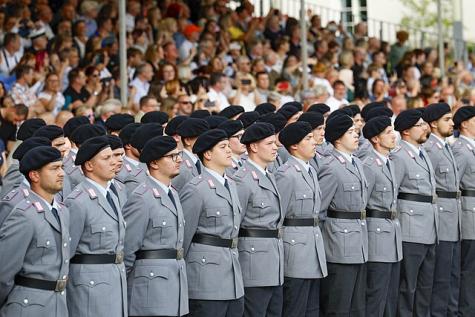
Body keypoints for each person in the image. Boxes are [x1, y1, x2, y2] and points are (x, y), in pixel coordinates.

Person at [179, 129, 244, 317]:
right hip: (206, 276)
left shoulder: (230, 184)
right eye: (222, 147)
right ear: (207, 154)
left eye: (228, 146)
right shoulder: (196, 188)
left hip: (231, 271)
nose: (229, 150)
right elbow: (184, 238)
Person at [122, 136, 189, 316]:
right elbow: (128, 249)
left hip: (174, 281)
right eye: (172, 156)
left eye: (179, 155)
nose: (179, 160)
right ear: (154, 163)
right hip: (150, 287)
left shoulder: (172, 193)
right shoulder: (142, 198)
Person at [0, 146, 70, 317]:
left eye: (61, 167)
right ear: (34, 175)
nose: (61, 173)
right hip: (28, 306)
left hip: (57, 304)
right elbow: (3, 273)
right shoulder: (23, 215)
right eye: (54, 168)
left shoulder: (62, 211)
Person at [65, 136, 127, 317]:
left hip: (114, 281)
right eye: (106, 158)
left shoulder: (112, 195)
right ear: (89, 166)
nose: (114, 161)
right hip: (89, 286)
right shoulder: (78, 201)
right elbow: (67, 252)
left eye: (113, 157)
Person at [275, 121, 328, 317]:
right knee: (295, 307)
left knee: (311, 308)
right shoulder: (286, 174)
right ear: (294, 145)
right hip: (295, 249)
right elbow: (278, 217)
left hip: (313, 246)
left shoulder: (311, 170)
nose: (314, 142)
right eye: (308, 139)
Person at [232, 122, 284, 317]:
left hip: (274, 260)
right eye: (269, 143)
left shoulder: (268, 175)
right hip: (254, 263)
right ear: (253, 147)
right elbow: (235, 226)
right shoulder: (243, 180)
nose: (275, 147)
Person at [318, 114, 368, 316]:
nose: (356, 135)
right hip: (339, 244)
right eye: (350, 132)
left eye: (355, 131)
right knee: (338, 306)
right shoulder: (331, 167)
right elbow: (319, 212)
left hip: (359, 242)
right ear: (338, 138)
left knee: (356, 305)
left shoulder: (356, 163)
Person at [391, 109, 438, 317]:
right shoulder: (400, 156)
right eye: (419, 125)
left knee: (425, 285)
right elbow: (393, 194)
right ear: (406, 131)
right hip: (411, 229)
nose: (425, 127)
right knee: (407, 286)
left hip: (429, 227)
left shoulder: (422, 152)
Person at [422, 103, 461, 317]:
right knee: (440, 277)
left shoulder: (445, 147)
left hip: (453, 219)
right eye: (447, 119)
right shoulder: (430, 149)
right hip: (440, 220)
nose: (452, 123)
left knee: (452, 275)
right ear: (433, 124)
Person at [361, 116, 402, 317]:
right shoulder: (369, 165)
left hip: (392, 233)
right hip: (376, 234)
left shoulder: (389, 163)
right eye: (388, 132)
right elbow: (362, 204)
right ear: (375, 139)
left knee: (390, 294)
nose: (394, 135)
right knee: (376, 294)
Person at [449, 106, 475, 316]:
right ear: (464, 124)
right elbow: (451, 185)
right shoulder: (460, 149)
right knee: (468, 267)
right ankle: (465, 310)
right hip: (467, 212)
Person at [172, 118, 209, 192]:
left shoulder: (199, 161)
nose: (206, 141)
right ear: (187, 140)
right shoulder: (181, 167)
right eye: (201, 138)